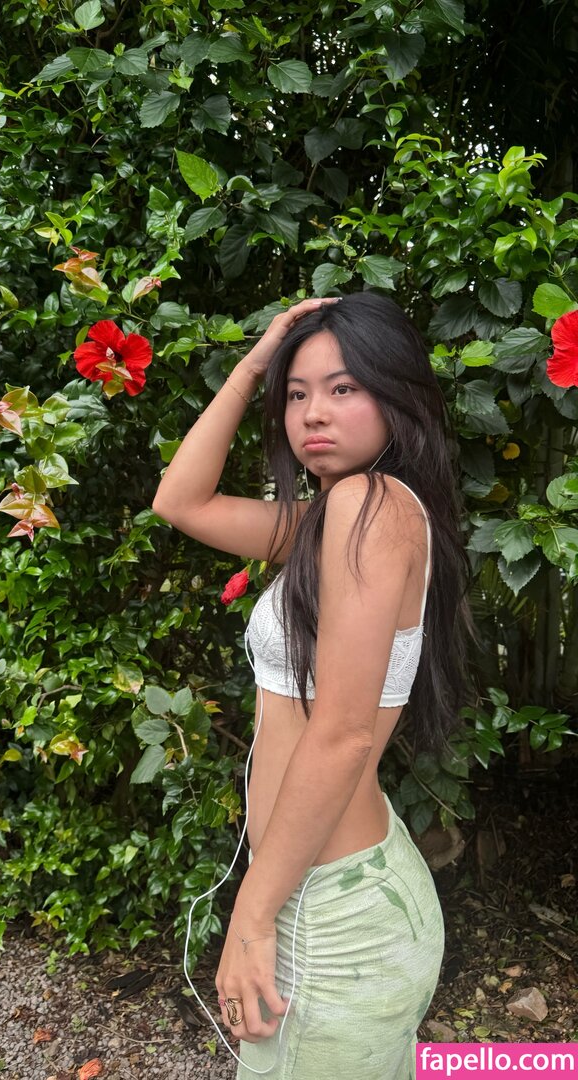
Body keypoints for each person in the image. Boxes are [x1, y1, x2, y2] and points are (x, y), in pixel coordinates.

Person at [151, 292, 475, 1079]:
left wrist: (250, 921)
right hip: (331, 891)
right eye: (296, 394)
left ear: (397, 397)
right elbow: (179, 501)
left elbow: (344, 734)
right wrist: (253, 367)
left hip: (334, 919)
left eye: (343, 387)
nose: (313, 413)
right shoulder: (332, 520)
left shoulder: (371, 506)